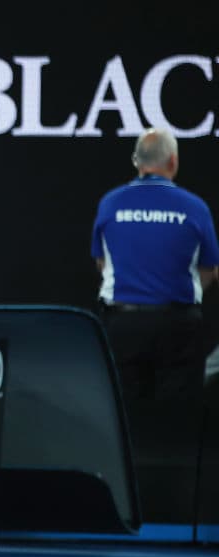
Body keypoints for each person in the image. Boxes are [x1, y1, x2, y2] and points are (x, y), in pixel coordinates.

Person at [91, 127, 219, 522]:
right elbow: (211, 269)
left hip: (123, 326)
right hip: (179, 327)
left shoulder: (111, 203)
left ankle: (120, 508)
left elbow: (101, 261)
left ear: (136, 162)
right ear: (173, 162)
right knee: (176, 422)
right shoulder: (195, 208)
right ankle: (176, 512)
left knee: (121, 416)